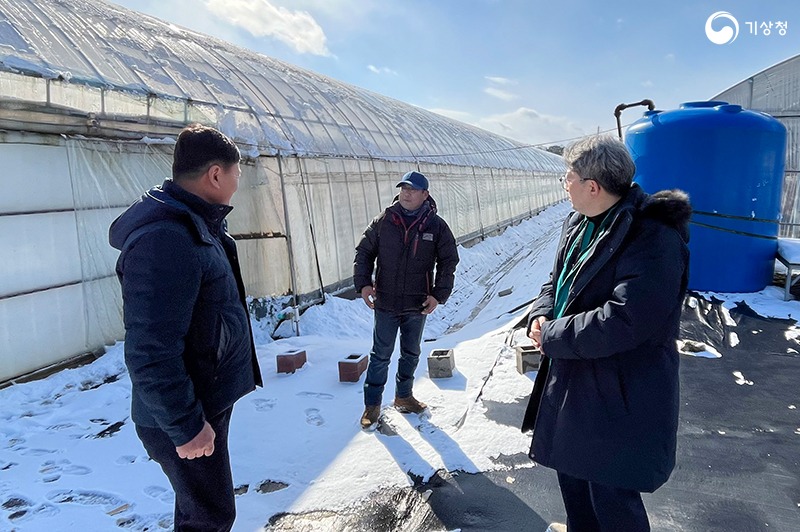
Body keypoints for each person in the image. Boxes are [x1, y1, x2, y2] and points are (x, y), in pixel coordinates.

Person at [521, 135, 691, 531]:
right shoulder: (580, 223)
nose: (565, 184)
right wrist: (541, 314)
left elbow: (626, 318)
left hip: (617, 390)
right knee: (576, 492)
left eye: (569, 178)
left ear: (592, 187)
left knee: (612, 500)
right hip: (574, 380)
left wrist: (553, 335)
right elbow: (558, 281)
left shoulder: (653, 236)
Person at [109, 124, 262, 531]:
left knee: (203, 512)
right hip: (185, 412)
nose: (237, 183)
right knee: (209, 518)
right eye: (236, 174)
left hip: (201, 401)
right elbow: (149, 350)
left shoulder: (196, 225)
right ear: (216, 174)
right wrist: (187, 426)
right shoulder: (167, 238)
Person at [354, 170, 459, 430]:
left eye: (412, 190)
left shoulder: (436, 226)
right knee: (380, 355)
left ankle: (404, 396)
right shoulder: (384, 221)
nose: (406, 193)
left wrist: (438, 295)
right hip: (386, 302)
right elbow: (364, 252)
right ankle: (372, 405)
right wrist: (364, 284)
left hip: (417, 303)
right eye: (403, 189)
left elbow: (449, 261)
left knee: (411, 353)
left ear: (425, 194)